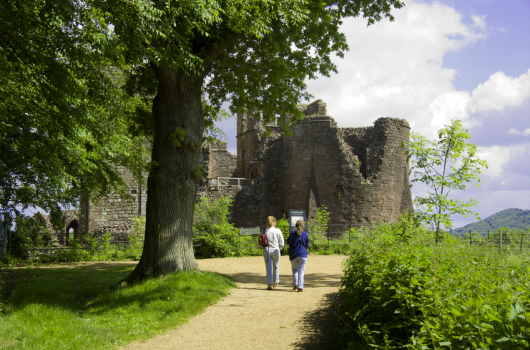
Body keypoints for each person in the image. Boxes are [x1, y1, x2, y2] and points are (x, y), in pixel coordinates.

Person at [262, 216, 284, 290]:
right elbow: (282, 243)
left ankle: (269, 284)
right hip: (276, 250)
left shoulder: (265, 230)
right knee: (276, 266)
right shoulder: (278, 230)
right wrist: (279, 248)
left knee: (268, 268)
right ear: (274, 222)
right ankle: (275, 282)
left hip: (267, 250)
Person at [287, 220, 309, 292]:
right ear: (303, 226)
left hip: (294, 255)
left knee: (294, 270)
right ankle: (300, 287)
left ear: (295, 226)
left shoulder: (292, 234)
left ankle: (295, 284)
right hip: (303, 255)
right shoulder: (305, 234)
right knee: (301, 271)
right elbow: (307, 245)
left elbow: (289, 243)